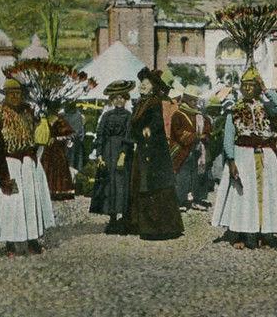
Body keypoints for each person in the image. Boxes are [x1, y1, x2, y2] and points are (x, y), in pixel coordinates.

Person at [211, 66, 277, 250]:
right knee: (244, 196)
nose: (248, 89)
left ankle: (264, 231)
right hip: (243, 155)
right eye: (245, 85)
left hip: (265, 155)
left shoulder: (265, 106)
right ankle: (242, 232)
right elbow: (228, 137)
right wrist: (231, 160)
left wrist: (266, 88)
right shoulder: (234, 109)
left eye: (252, 85)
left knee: (266, 194)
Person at [0, 78, 54, 256]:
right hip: (9, 165)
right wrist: (3, 177)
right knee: (10, 205)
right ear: (5, 95)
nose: (15, 97)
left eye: (18, 93)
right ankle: (10, 243)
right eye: (11, 93)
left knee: (30, 203)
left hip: (28, 165)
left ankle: (32, 240)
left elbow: (35, 135)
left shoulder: (27, 112)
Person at [127, 67, 184, 240]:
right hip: (144, 148)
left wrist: (147, 131)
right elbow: (134, 126)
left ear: (153, 86)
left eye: (145, 83)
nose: (142, 86)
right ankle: (142, 224)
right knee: (143, 184)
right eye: (141, 83)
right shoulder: (141, 102)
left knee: (154, 186)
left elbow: (157, 123)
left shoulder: (155, 102)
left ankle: (159, 227)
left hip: (155, 150)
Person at [89, 80, 135, 233]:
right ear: (112, 100)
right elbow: (100, 135)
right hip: (108, 152)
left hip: (123, 153)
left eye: (122, 97)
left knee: (122, 185)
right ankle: (112, 219)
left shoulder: (129, 116)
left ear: (126, 98)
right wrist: (100, 155)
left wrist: (123, 155)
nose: (119, 100)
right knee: (109, 185)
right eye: (115, 98)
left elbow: (129, 137)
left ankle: (124, 220)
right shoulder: (107, 116)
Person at [169, 85, 212, 211]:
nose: (194, 103)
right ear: (186, 100)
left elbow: (208, 129)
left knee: (199, 175)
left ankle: (197, 199)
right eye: (192, 100)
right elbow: (179, 134)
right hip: (183, 150)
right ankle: (180, 201)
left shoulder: (200, 115)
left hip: (199, 150)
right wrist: (198, 136)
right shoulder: (178, 114)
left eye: (196, 100)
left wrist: (205, 135)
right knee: (183, 176)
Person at [40, 111, 75, 200]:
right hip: (46, 150)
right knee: (46, 167)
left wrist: (57, 139)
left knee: (58, 168)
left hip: (58, 150)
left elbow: (71, 135)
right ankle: (45, 189)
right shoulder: (43, 119)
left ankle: (58, 190)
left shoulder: (60, 121)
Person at [65, 102, 86, 173]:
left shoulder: (65, 116)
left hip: (67, 141)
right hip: (76, 141)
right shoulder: (78, 116)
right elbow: (81, 131)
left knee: (68, 160)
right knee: (75, 161)